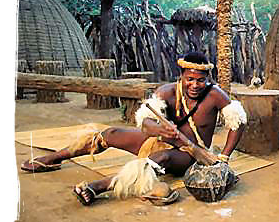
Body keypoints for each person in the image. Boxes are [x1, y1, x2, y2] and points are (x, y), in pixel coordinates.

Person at [21, 52, 247, 206]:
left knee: (163, 156)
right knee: (110, 134)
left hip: (188, 155)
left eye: (200, 80)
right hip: (160, 141)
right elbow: (145, 120)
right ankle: (54, 158)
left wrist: (224, 156)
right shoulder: (167, 91)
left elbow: (238, 121)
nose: (195, 85)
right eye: (190, 79)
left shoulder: (215, 94)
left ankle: (99, 187)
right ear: (182, 76)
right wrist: (158, 130)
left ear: (207, 78)